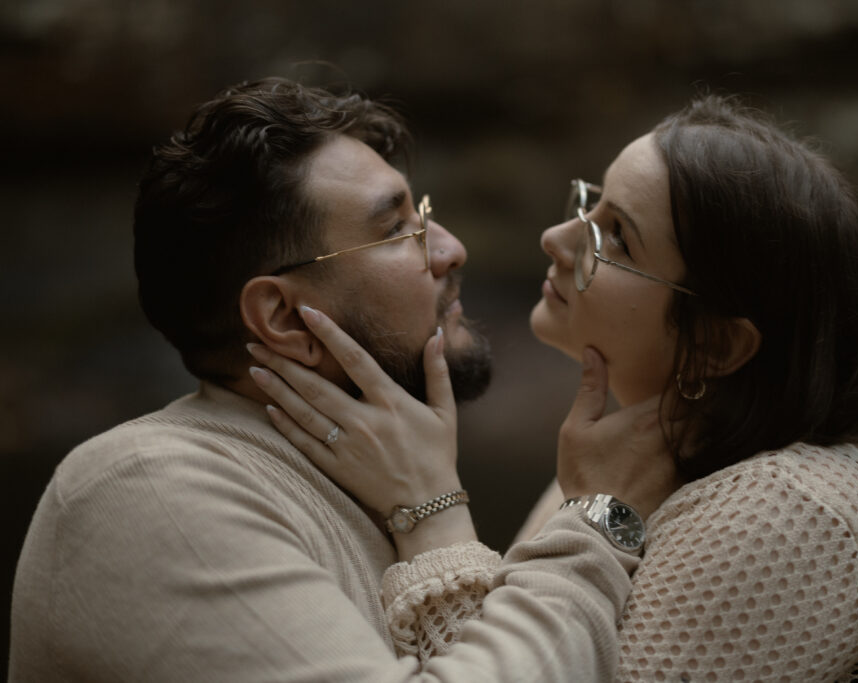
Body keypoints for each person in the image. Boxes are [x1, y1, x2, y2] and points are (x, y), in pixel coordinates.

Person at [8, 77, 679, 682]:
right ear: (282, 316)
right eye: (397, 231)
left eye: (423, 213)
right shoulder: (147, 490)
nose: (450, 248)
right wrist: (599, 524)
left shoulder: (377, 476)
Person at [255, 95, 858, 681]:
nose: (555, 237)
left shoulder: (788, 510)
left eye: (615, 238)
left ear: (718, 344)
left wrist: (431, 510)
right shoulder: (616, 460)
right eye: (590, 204)